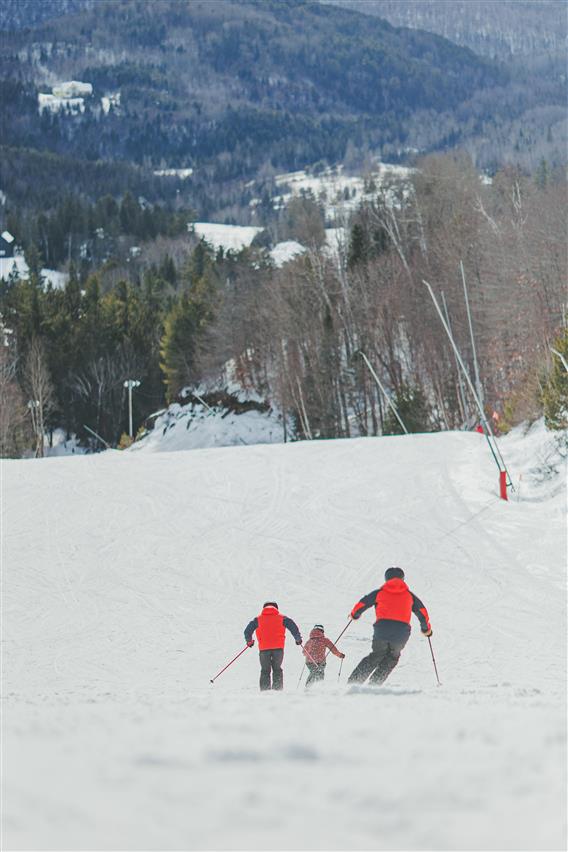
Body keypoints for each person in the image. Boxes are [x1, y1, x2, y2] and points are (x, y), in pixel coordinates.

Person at [347, 567, 432, 686]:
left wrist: (354, 615)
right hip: (401, 632)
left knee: (377, 655)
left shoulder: (379, 592)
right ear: (403, 579)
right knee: (392, 657)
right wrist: (426, 629)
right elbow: (422, 612)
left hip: (382, 629)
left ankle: (354, 682)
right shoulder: (409, 596)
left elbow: (363, 603)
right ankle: (374, 684)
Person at [244, 601, 302, 691]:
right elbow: (293, 627)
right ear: (276, 608)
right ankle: (277, 691)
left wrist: (249, 641)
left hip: (264, 649)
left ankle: (265, 692)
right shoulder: (283, 618)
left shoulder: (257, 619)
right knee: (277, 669)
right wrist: (298, 639)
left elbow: (247, 631)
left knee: (265, 670)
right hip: (278, 648)